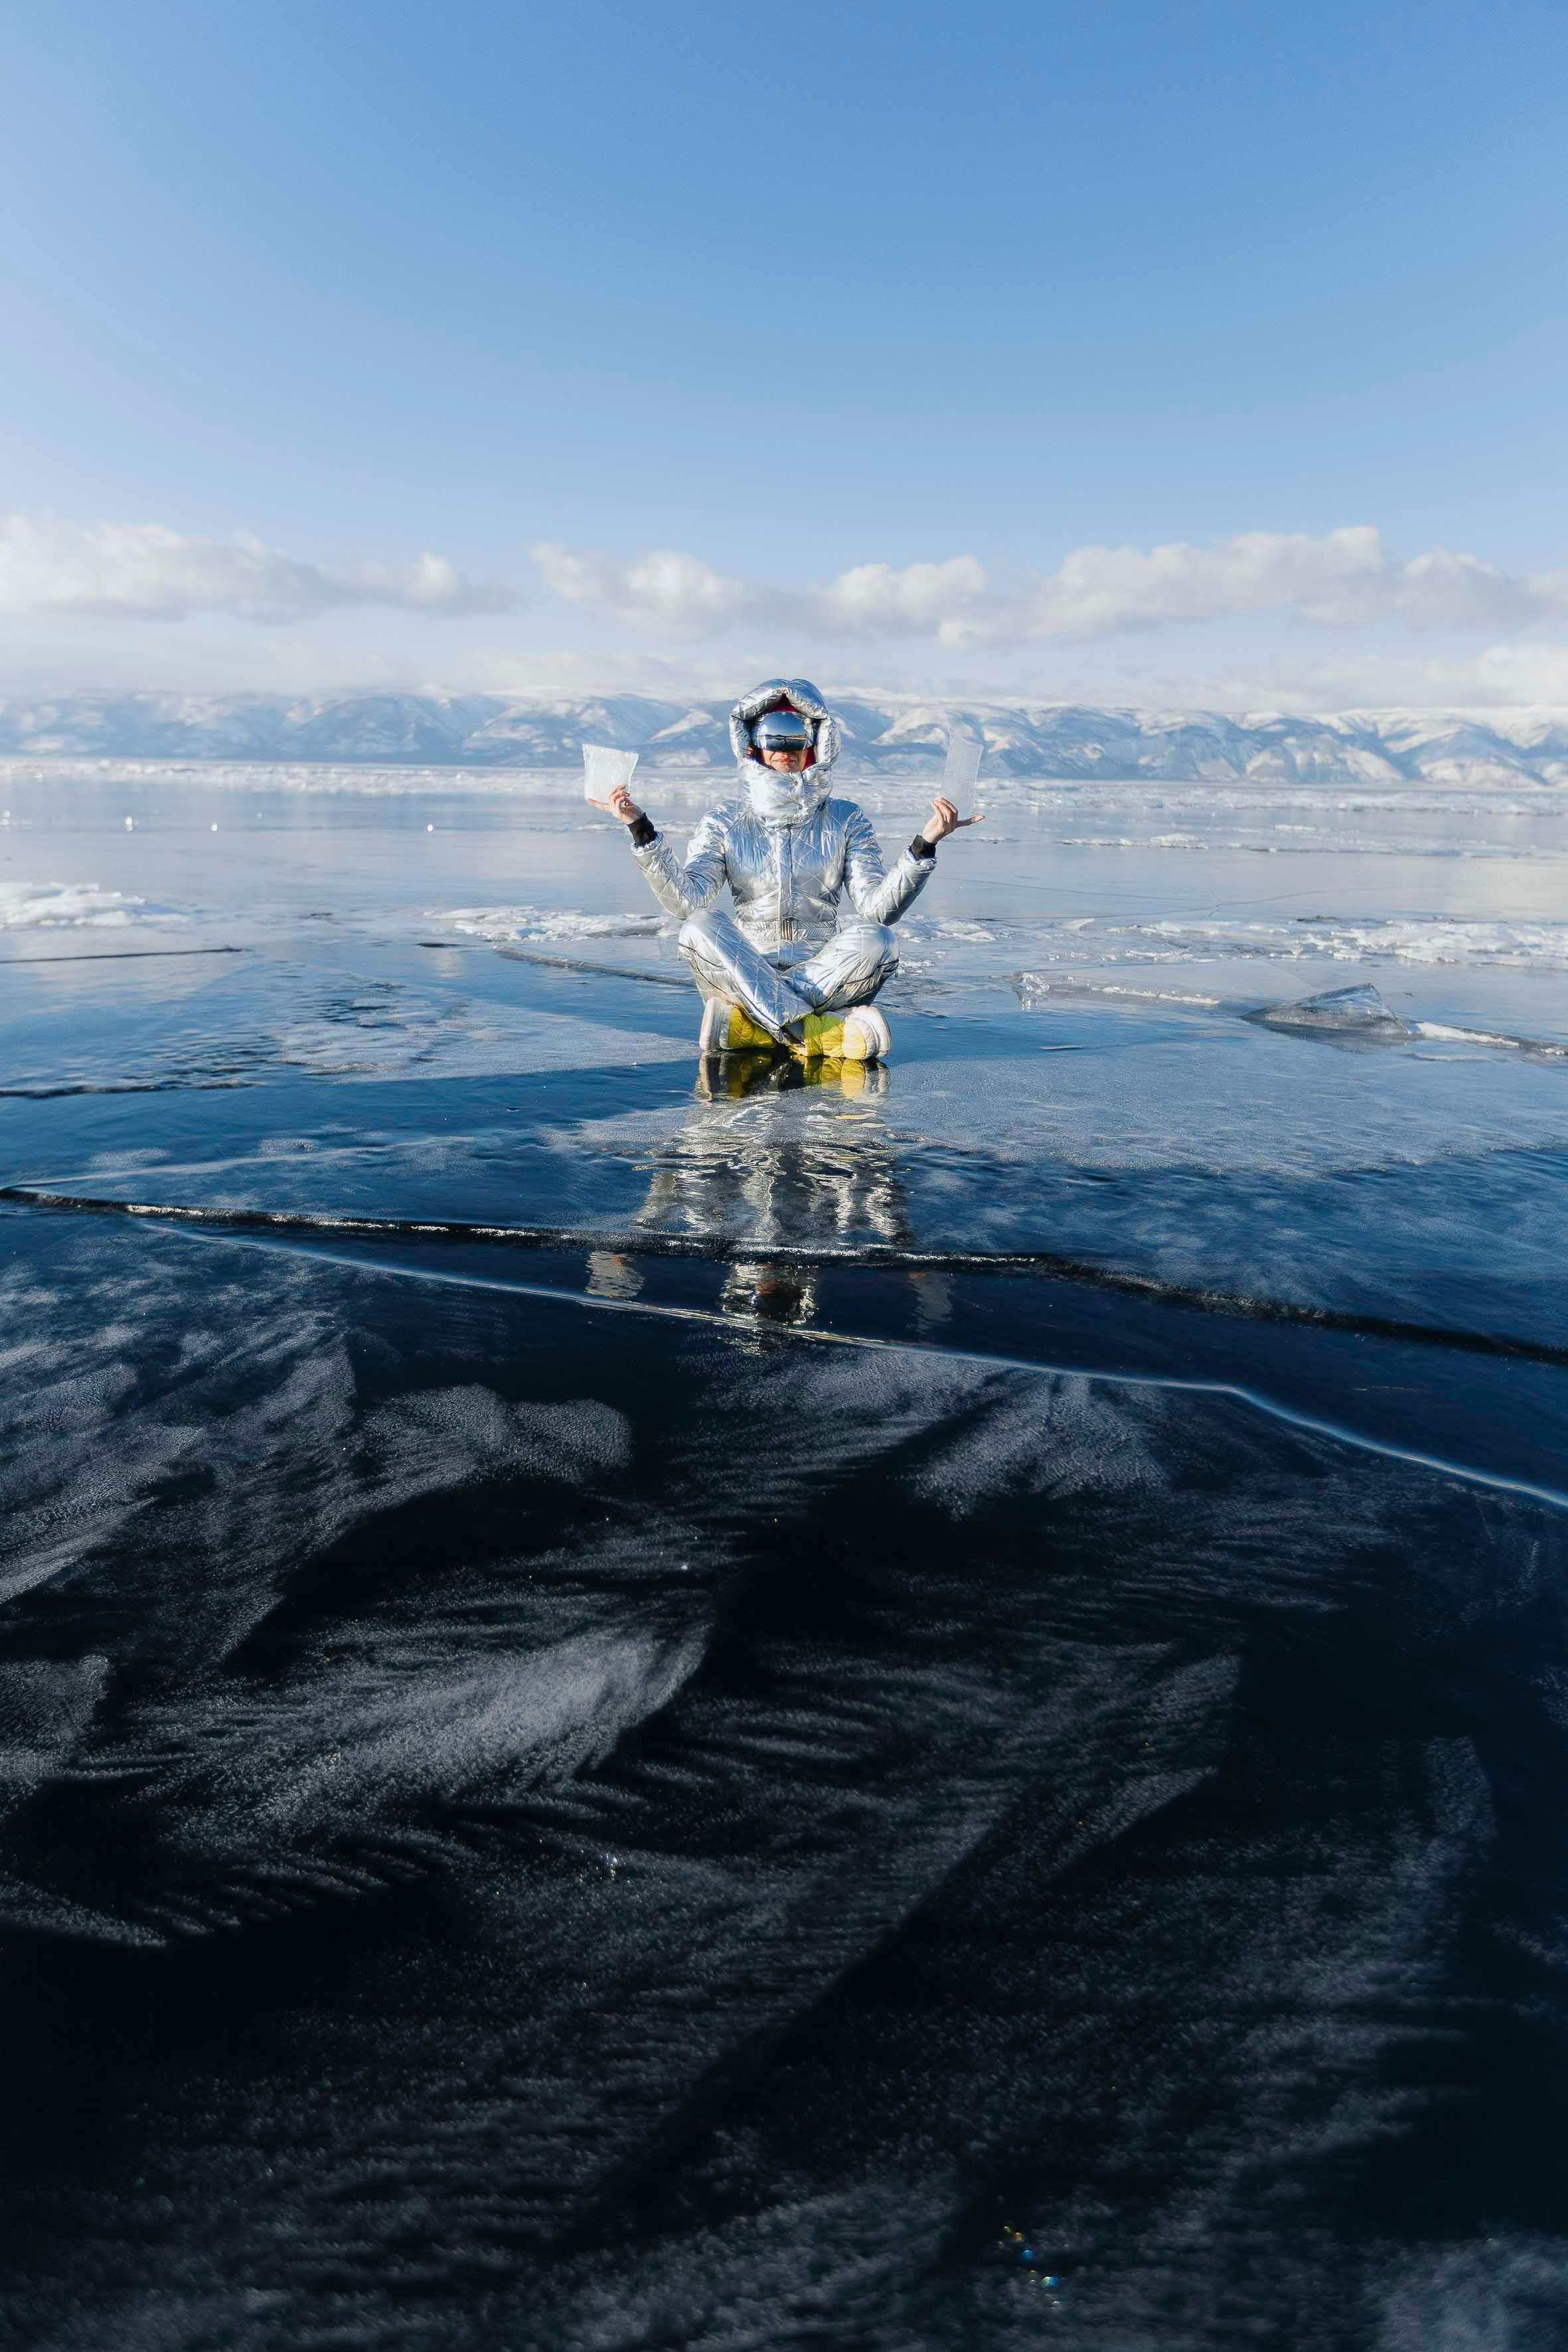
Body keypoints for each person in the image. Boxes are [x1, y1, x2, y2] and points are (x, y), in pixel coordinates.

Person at [591, 677, 982, 1063]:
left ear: (816, 744)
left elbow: (878, 910)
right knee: (698, 926)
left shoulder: (846, 818)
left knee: (879, 939)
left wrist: (925, 843)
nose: (784, 749)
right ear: (751, 743)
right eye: (771, 736)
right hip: (743, 962)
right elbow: (685, 902)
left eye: (796, 737)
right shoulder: (725, 820)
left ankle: (756, 1026)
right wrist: (640, 828)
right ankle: (816, 1032)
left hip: (822, 970)